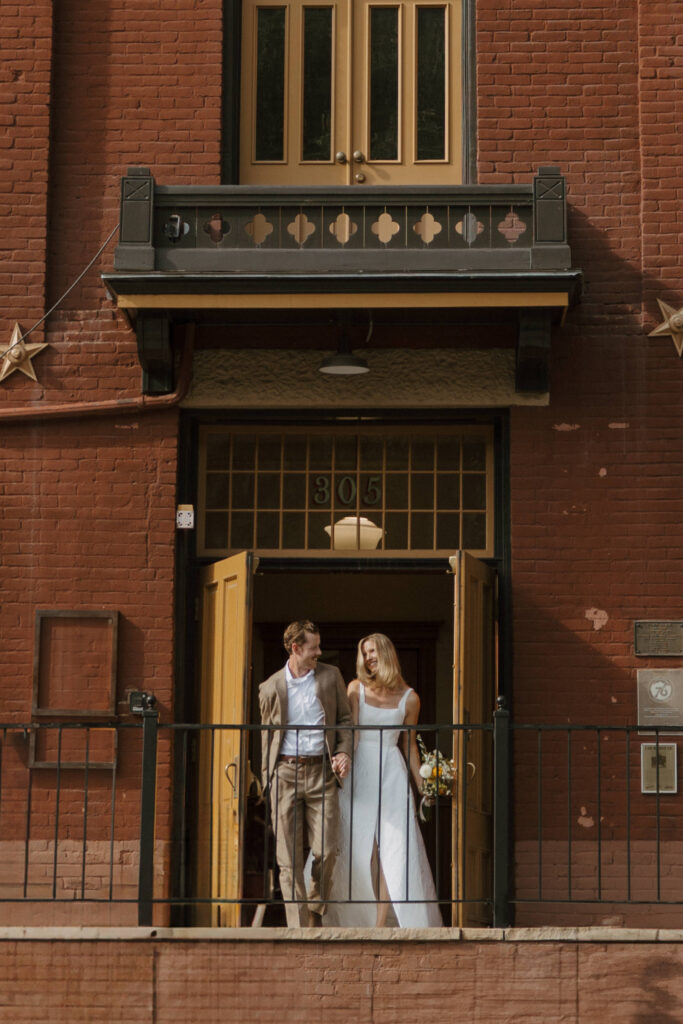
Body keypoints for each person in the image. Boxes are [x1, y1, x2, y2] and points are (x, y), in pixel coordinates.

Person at [325, 632, 442, 928]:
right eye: (364, 653)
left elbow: (410, 745)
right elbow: (348, 733)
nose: (368, 658)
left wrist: (423, 787)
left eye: (373, 651)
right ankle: (351, 914)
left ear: (387, 653)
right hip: (359, 768)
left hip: (392, 772)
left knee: (393, 848)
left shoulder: (410, 698)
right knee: (361, 844)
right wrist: (342, 759)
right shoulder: (356, 690)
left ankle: (379, 924)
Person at [259, 619, 352, 927]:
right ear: (296, 649)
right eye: (313, 648)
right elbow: (266, 736)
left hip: (322, 773)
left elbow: (345, 719)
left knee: (326, 851)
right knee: (287, 859)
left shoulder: (330, 676)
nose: (319, 653)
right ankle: (300, 927)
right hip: (285, 773)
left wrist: (343, 751)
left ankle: (315, 907)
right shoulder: (270, 687)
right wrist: (267, 777)